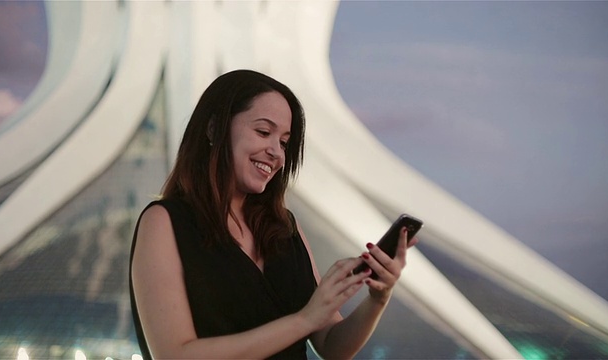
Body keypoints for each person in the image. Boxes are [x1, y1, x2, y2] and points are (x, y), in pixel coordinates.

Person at [129, 69, 418, 359]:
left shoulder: (285, 228)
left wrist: (378, 298)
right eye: (264, 132)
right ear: (214, 129)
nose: (276, 153)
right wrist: (304, 319)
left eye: (284, 142)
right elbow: (174, 355)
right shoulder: (165, 222)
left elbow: (331, 345)